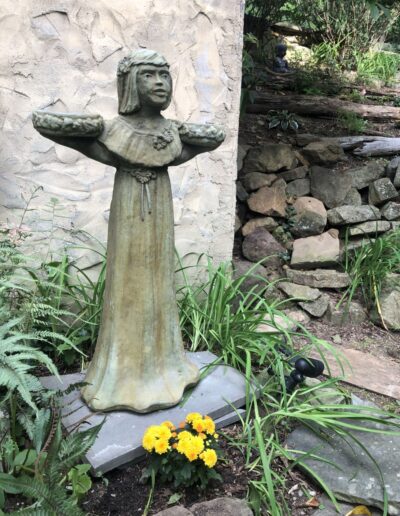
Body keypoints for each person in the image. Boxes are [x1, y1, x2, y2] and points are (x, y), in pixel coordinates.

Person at [32, 49, 225, 412]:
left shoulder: (174, 133)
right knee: (128, 286)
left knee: (159, 284)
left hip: (160, 210)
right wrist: (92, 128)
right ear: (130, 84)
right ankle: (120, 375)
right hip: (128, 209)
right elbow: (50, 124)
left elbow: (212, 138)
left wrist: (184, 135)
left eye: (164, 75)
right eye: (149, 75)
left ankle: (166, 366)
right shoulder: (113, 131)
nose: (159, 83)